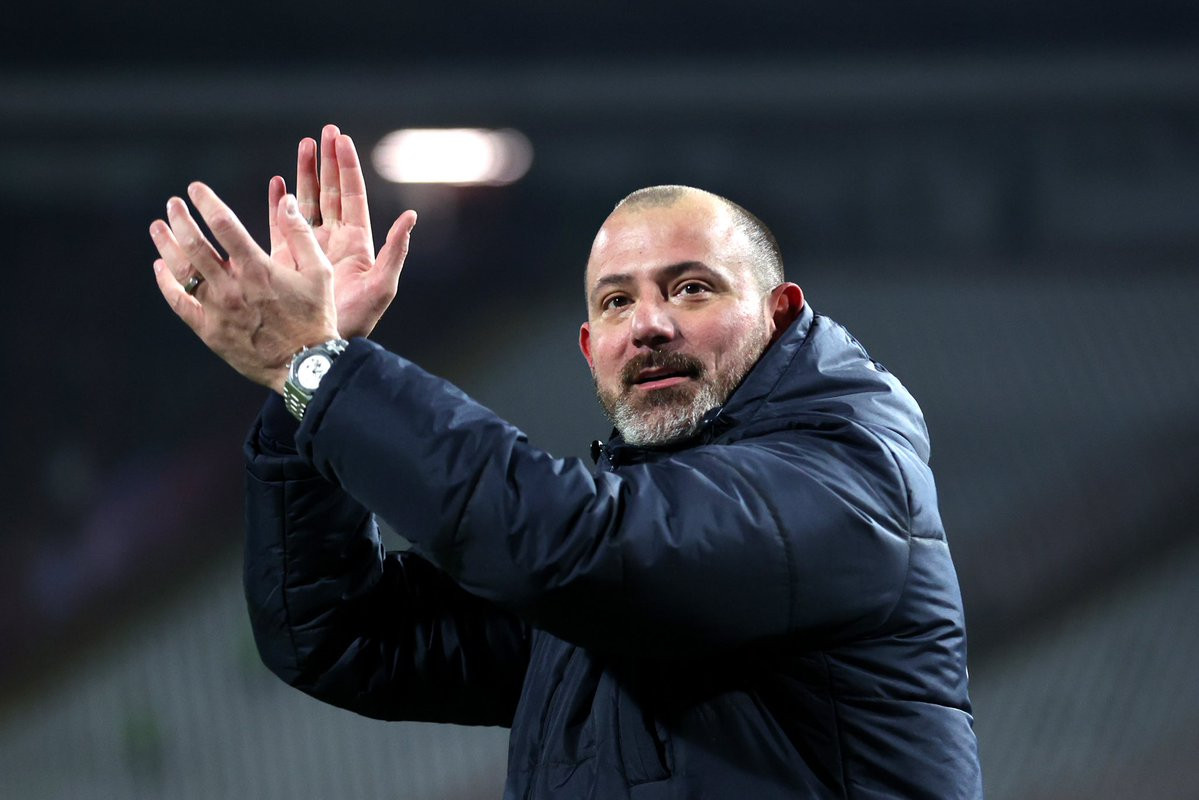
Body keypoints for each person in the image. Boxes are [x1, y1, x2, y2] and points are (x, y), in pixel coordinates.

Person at [150, 124, 983, 799]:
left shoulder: (843, 472)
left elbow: (572, 545)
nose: (648, 325)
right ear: (590, 350)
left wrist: (320, 367)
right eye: (617, 301)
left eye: (691, 288)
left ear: (779, 313)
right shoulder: (619, 556)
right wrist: (305, 389)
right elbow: (341, 636)